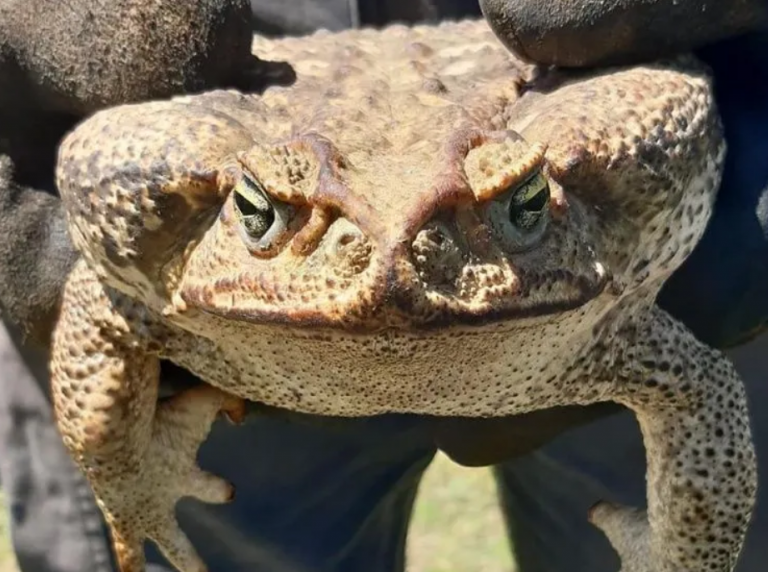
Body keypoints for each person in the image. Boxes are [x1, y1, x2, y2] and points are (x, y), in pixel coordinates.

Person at [0, 1, 765, 571]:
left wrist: (688, 554)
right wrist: (130, 474)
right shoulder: (184, 265)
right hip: (239, 90)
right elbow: (101, 306)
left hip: (565, 76)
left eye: (525, 205)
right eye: (267, 214)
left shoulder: (611, 312)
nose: (390, 264)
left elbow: (700, 390)